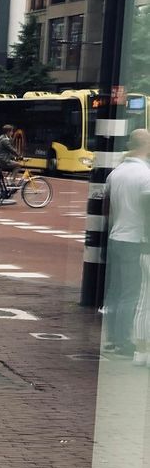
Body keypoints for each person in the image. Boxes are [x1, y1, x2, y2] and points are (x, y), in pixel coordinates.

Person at [102, 129, 150, 360]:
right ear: (146, 145)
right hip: (135, 240)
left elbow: (106, 208)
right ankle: (123, 342)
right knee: (131, 294)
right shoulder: (145, 175)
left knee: (115, 291)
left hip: (115, 237)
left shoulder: (116, 172)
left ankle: (112, 339)